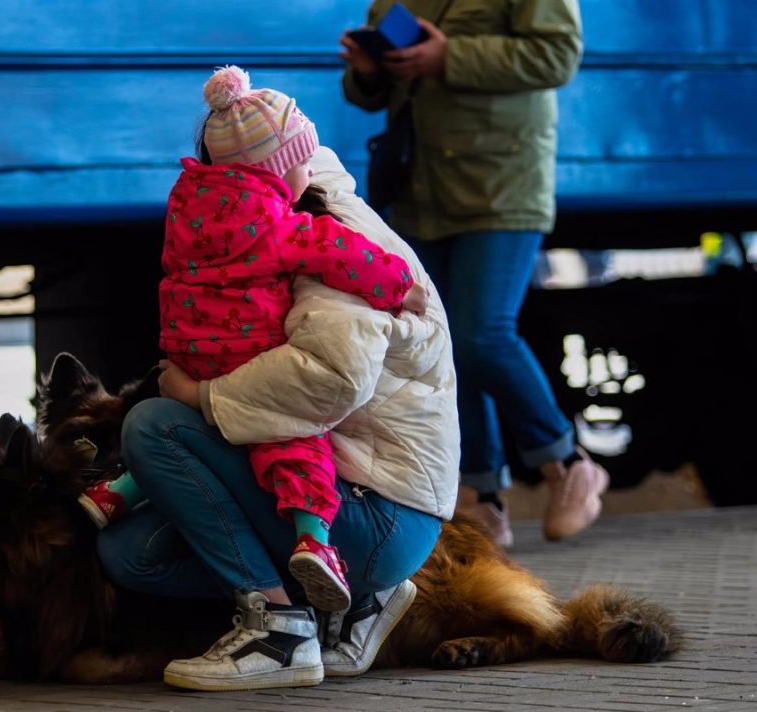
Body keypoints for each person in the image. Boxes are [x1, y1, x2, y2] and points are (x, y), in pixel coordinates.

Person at [94, 124, 459, 691]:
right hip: (364, 492)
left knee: (154, 425)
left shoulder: (331, 250)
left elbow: (333, 380)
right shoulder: (301, 210)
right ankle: (348, 602)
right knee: (131, 554)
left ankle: (281, 631)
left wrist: (200, 395)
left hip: (381, 509)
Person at [79, 66, 425, 615]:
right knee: (292, 440)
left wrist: (197, 391)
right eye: (301, 161)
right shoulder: (281, 224)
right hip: (249, 353)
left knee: (182, 432)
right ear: (279, 169)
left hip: (190, 352)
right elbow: (342, 257)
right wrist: (400, 285)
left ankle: (118, 493)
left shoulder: (186, 207)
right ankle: (315, 544)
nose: (310, 171)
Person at [340, 0, 607, 548]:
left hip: (502, 182)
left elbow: (557, 54)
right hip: (422, 188)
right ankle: (482, 497)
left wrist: (450, 56)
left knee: (482, 332)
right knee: (440, 344)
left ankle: (569, 462)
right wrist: (369, 74)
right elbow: (378, 94)